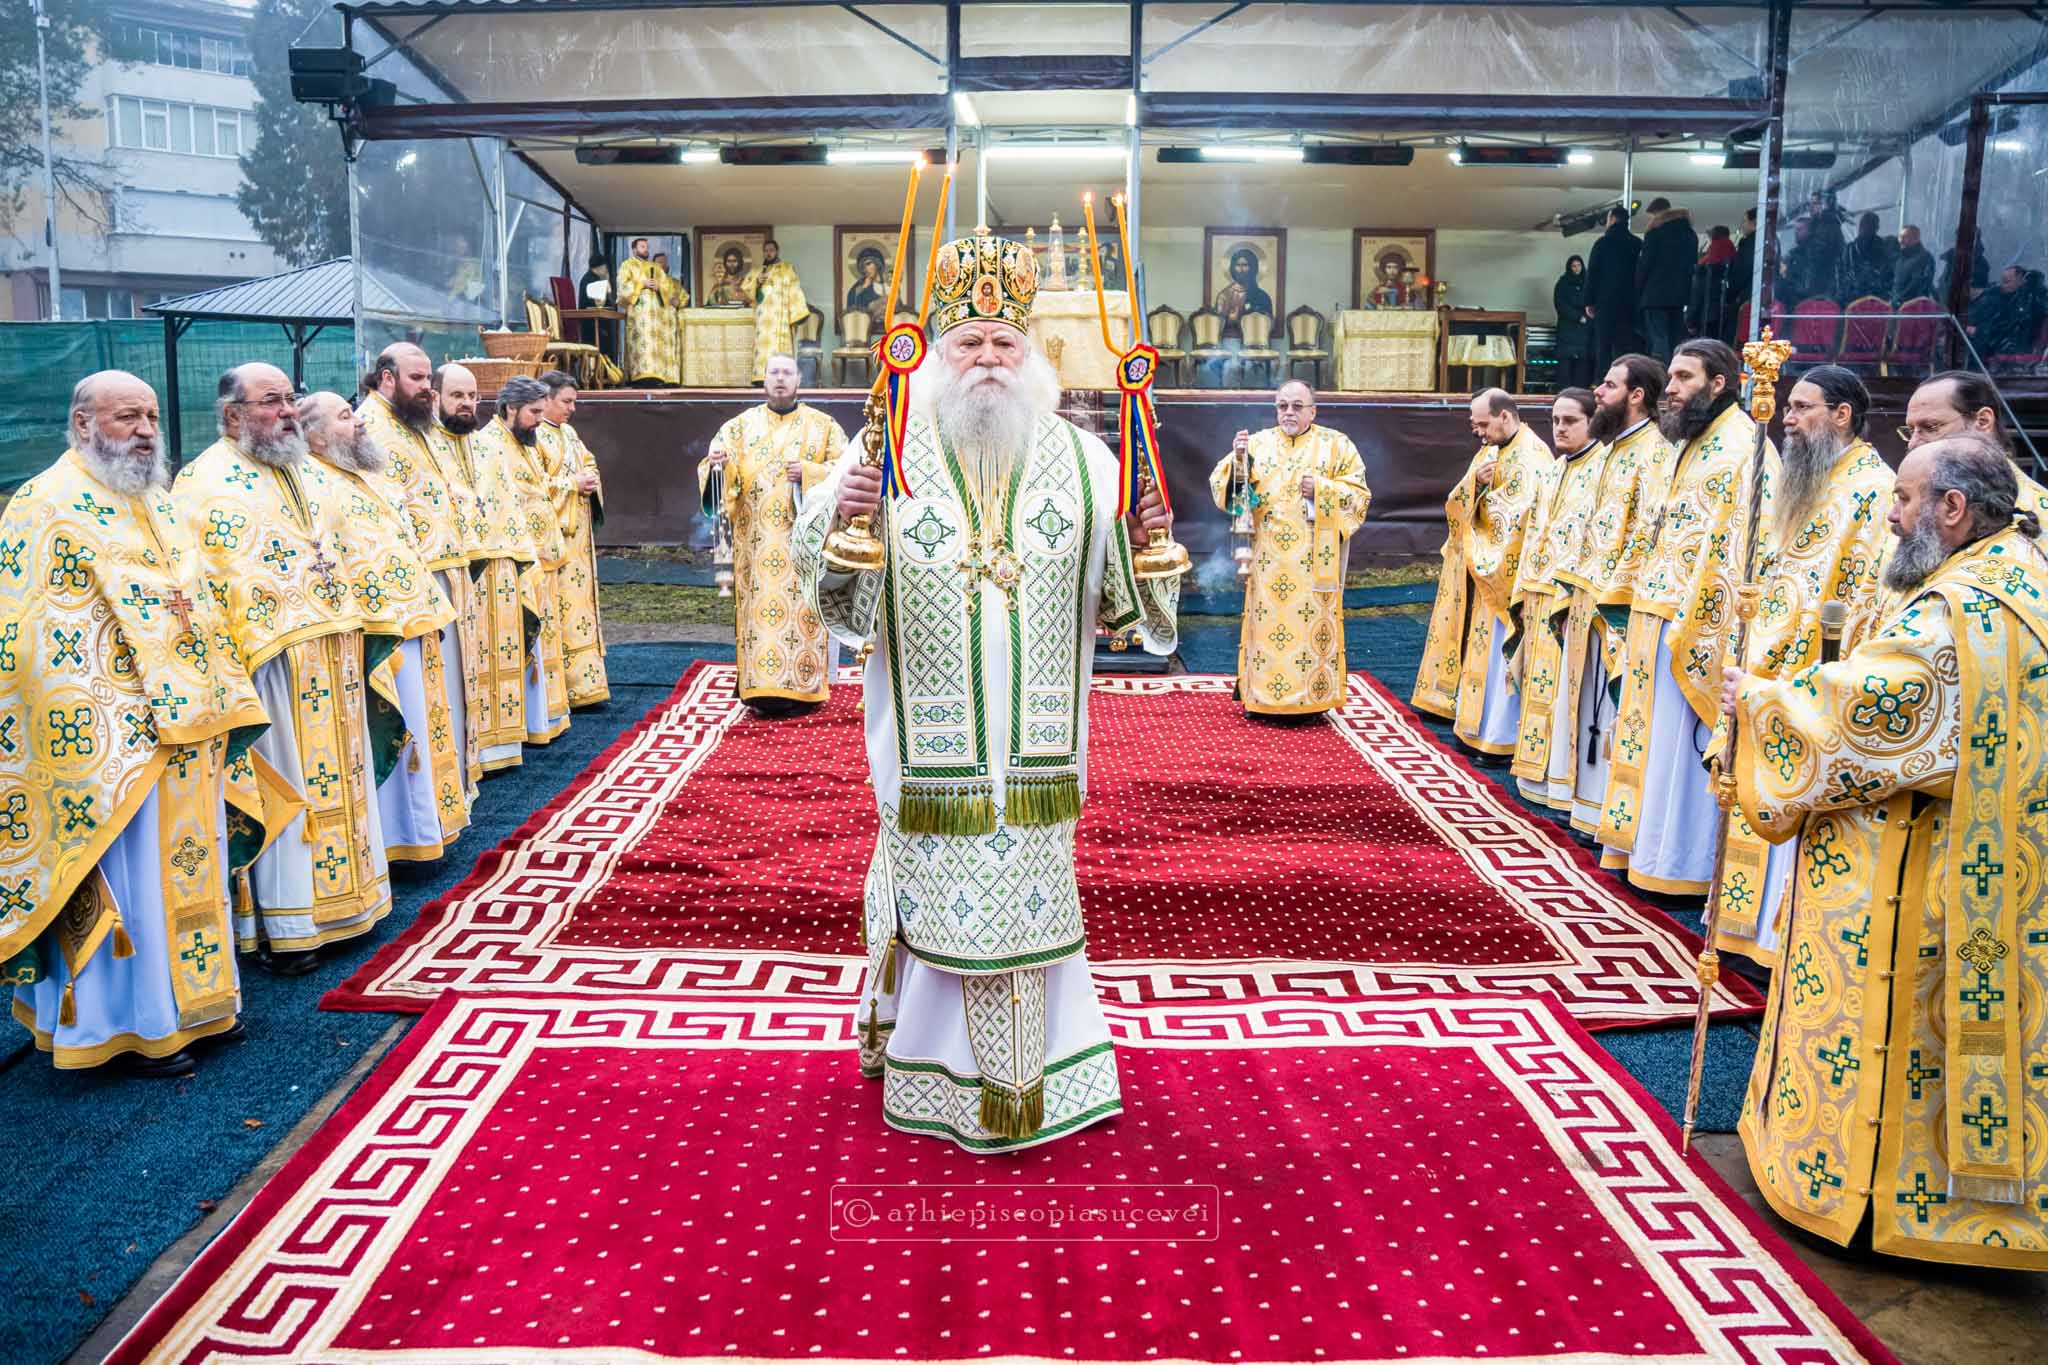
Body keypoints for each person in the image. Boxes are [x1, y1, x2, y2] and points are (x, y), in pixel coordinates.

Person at [792, 231, 1179, 1151]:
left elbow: (1124, 605)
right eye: (969, 342)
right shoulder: (885, 451)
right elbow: (825, 580)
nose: (989, 359)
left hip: (1039, 756)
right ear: (936, 351)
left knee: (1033, 894)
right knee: (936, 892)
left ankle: (1046, 1071)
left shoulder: (1087, 461)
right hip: (928, 753)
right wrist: (842, 512)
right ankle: (931, 1070)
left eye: (1006, 342)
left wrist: (1147, 542)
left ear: (1032, 353)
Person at [1722, 432, 2048, 1268]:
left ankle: (1881, 1200)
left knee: (1908, 1035)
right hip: (2000, 864)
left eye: (1904, 499)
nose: (1891, 516)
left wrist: (1759, 702)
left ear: (1953, 507)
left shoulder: (1962, 609)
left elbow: (1871, 716)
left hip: (1929, 873)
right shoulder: (2021, 573)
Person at [1, 372, 274, 1075]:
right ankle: (130, 1025)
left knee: (187, 872)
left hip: (191, 724)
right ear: (83, 423)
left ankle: (200, 1008)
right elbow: (31, 636)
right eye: (128, 417)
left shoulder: (155, 498)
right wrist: (113, 719)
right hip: (112, 739)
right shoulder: (43, 504)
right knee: (135, 883)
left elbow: (195, 602)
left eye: (151, 415)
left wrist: (217, 692)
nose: (147, 430)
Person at [177, 364, 400, 972]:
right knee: (287, 785)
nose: (286, 411)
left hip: (334, 653)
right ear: (233, 415)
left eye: (290, 399)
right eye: (271, 401)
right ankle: (289, 923)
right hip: (269, 667)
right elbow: (204, 582)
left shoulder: (308, 471)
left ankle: (353, 903)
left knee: (344, 778)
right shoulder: (203, 483)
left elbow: (345, 550)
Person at [1707, 366, 1894, 967]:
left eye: (1802, 407)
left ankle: (1775, 942)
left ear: (1842, 415)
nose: (1787, 419)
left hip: (1810, 673)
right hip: (1766, 663)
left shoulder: (1872, 488)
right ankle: (1744, 931)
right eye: (1787, 407)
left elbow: (1862, 595)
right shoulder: (1808, 480)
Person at [1596, 339, 1773, 893]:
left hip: (1694, 626)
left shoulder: (1744, 448)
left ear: (1718, 384)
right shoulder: (1685, 443)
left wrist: (1697, 628)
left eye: (1683, 378)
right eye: (1670, 377)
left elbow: (1743, 553)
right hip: (1652, 610)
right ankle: (1642, 850)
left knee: (1679, 750)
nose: (1669, 389)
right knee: (1648, 744)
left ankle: (1677, 865)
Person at [299, 391, 461, 862]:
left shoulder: (362, 475)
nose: (360, 423)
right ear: (315, 436)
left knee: (423, 726)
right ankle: (398, 839)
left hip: (414, 618)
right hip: (379, 632)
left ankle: (425, 829)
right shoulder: (314, 484)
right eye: (345, 417)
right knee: (395, 727)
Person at [359, 343, 484, 827]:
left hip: (445, 573)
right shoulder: (370, 429)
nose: (427, 388)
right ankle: (425, 811)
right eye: (417, 378)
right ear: (386, 378)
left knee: (449, 694)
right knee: (426, 698)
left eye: (429, 378)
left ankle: (449, 797)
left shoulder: (415, 424)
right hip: (412, 584)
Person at [1551, 354, 1675, 834]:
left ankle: (1605, 812)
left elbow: (1650, 530)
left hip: (1616, 602)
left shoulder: (1654, 451)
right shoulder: (1612, 450)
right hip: (1587, 595)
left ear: (1636, 395)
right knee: (1587, 704)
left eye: (1608, 385)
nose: (1598, 393)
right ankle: (1585, 805)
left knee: (1608, 707)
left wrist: (1613, 594)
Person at [1207, 380, 1372, 717]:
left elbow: (1359, 496)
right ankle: (1260, 697)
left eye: (1297, 406)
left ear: (1313, 411)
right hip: (1268, 558)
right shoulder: (1257, 443)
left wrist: (1322, 490)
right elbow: (1228, 493)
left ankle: (1310, 699)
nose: (1289, 413)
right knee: (1266, 630)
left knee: (1308, 630)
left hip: (1314, 559)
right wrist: (1238, 461)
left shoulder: (1337, 445)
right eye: (1282, 406)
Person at [1412, 389, 1556, 760]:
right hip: (1482, 569)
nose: (1478, 432)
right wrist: (1476, 485)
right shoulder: (1490, 451)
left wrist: (1484, 503)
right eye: (1474, 424)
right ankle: (1471, 725)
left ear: (1504, 416)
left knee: (1497, 657)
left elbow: (1521, 521)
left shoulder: (1534, 456)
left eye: (1482, 424)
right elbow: (1459, 499)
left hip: (1506, 577)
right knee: (1479, 652)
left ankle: (1497, 736)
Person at [701, 352, 847, 714]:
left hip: (804, 545)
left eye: (787, 372)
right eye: (774, 372)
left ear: (799, 380)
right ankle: (759, 690)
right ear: (764, 379)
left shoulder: (824, 426)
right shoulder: (738, 428)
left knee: (802, 615)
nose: (780, 378)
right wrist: (719, 467)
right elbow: (717, 473)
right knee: (759, 618)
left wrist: (810, 472)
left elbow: (844, 470)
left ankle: (802, 688)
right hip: (756, 545)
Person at [428, 363, 542, 772]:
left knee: (502, 655)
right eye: (457, 395)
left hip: (503, 568)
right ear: (435, 396)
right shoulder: (426, 449)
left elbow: (510, 506)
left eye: (472, 396)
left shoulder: (487, 448)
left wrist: (521, 560)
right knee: (466, 662)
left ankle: (502, 745)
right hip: (460, 573)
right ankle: (470, 753)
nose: (466, 403)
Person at [1508, 388, 1605, 808]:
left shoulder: (1602, 469)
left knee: (1565, 695)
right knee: (1537, 683)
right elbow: (1533, 532)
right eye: (1555, 421)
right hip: (1537, 594)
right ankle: (1535, 775)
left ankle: (1561, 782)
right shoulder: (1552, 470)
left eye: (1570, 421)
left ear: (1592, 422)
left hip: (1569, 601)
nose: (1560, 429)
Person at [472, 376, 571, 747]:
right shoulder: (488, 446)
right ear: (510, 408)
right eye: (533, 412)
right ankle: (522, 724)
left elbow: (541, 488)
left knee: (543, 637)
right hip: (513, 562)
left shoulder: (524, 440)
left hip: (541, 557)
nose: (539, 421)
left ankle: (544, 717)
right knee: (519, 641)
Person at [533, 372, 609, 709]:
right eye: (566, 401)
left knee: (581, 610)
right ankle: (565, 687)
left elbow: (588, 464)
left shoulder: (569, 433)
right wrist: (571, 485)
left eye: (574, 402)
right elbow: (533, 488)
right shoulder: (533, 436)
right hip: (555, 543)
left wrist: (590, 480)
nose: (572, 408)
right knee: (560, 612)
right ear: (546, 399)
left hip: (579, 541)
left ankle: (587, 684)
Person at [1635, 197, 1698, 360]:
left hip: (1655, 295)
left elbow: (1645, 265)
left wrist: (1637, 289)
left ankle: (1660, 372)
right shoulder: (1690, 234)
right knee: (1676, 339)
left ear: (1657, 213)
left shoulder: (1655, 233)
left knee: (1658, 340)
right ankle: (1677, 370)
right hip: (1680, 296)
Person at [1583, 205, 1642, 378]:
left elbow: (1593, 273)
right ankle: (1626, 380)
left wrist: (1589, 301)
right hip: (1630, 303)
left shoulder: (1602, 243)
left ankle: (1604, 381)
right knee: (1626, 346)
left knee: (1604, 346)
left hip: (1605, 302)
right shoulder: (1637, 243)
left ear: (1613, 219)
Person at [740, 239, 809, 386]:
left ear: (777, 251)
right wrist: (757, 282)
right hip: (762, 317)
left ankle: (780, 377)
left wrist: (798, 313)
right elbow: (747, 291)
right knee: (761, 348)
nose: (768, 253)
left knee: (778, 349)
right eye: (766, 250)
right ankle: (760, 378)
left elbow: (794, 288)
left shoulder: (787, 268)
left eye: (771, 250)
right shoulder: (757, 271)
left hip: (779, 318)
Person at [616, 237, 680, 387]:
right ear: (634, 250)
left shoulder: (656, 267)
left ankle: (657, 376)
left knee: (655, 346)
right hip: (639, 315)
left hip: (656, 317)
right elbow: (622, 288)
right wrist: (641, 283)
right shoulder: (627, 265)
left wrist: (659, 287)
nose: (646, 249)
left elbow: (668, 288)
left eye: (646, 247)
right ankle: (640, 377)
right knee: (641, 345)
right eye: (642, 246)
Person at [1969, 265, 2042, 366]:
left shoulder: (2025, 307)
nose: (2002, 285)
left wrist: (1977, 331)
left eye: (2007, 281)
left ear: (2021, 281)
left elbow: (2006, 328)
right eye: (2001, 281)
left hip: (2004, 358)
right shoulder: (1993, 296)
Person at [1690, 225, 1737, 341]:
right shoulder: (1731, 251)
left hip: (1707, 315)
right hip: (1725, 315)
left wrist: (1691, 321)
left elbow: (1697, 295)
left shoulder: (1710, 259)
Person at [1838, 211, 1897, 303]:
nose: (1867, 229)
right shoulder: (1849, 249)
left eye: (1870, 226)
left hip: (1869, 299)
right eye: (1866, 226)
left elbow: (1890, 276)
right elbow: (1842, 275)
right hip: (1864, 299)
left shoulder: (1884, 248)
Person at [1552, 255, 1592, 388]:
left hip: (1584, 330)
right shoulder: (1562, 284)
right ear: (1569, 267)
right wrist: (1577, 317)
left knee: (1583, 361)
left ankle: (1580, 391)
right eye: (1574, 266)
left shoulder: (1588, 283)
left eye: (1579, 265)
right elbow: (1560, 304)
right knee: (1565, 361)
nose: (1577, 269)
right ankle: (1564, 391)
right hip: (1567, 328)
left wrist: (1588, 316)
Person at [1729, 208, 1758, 335]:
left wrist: (1731, 294)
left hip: (1745, 298)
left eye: (1745, 221)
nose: (1742, 225)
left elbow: (1741, 271)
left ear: (1754, 222)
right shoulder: (1771, 240)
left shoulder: (1749, 244)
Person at [1892, 224, 1937, 304]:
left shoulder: (1925, 258)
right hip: (1896, 305)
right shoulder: (1899, 258)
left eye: (1905, 237)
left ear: (1916, 239)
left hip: (1915, 307)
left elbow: (1919, 284)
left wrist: (1899, 300)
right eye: (1900, 237)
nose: (1901, 240)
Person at [847, 248, 889, 330]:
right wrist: (863, 288)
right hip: (865, 328)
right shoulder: (859, 287)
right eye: (863, 267)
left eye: (868, 264)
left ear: (877, 264)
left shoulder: (888, 285)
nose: (866, 269)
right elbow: (852, 309)